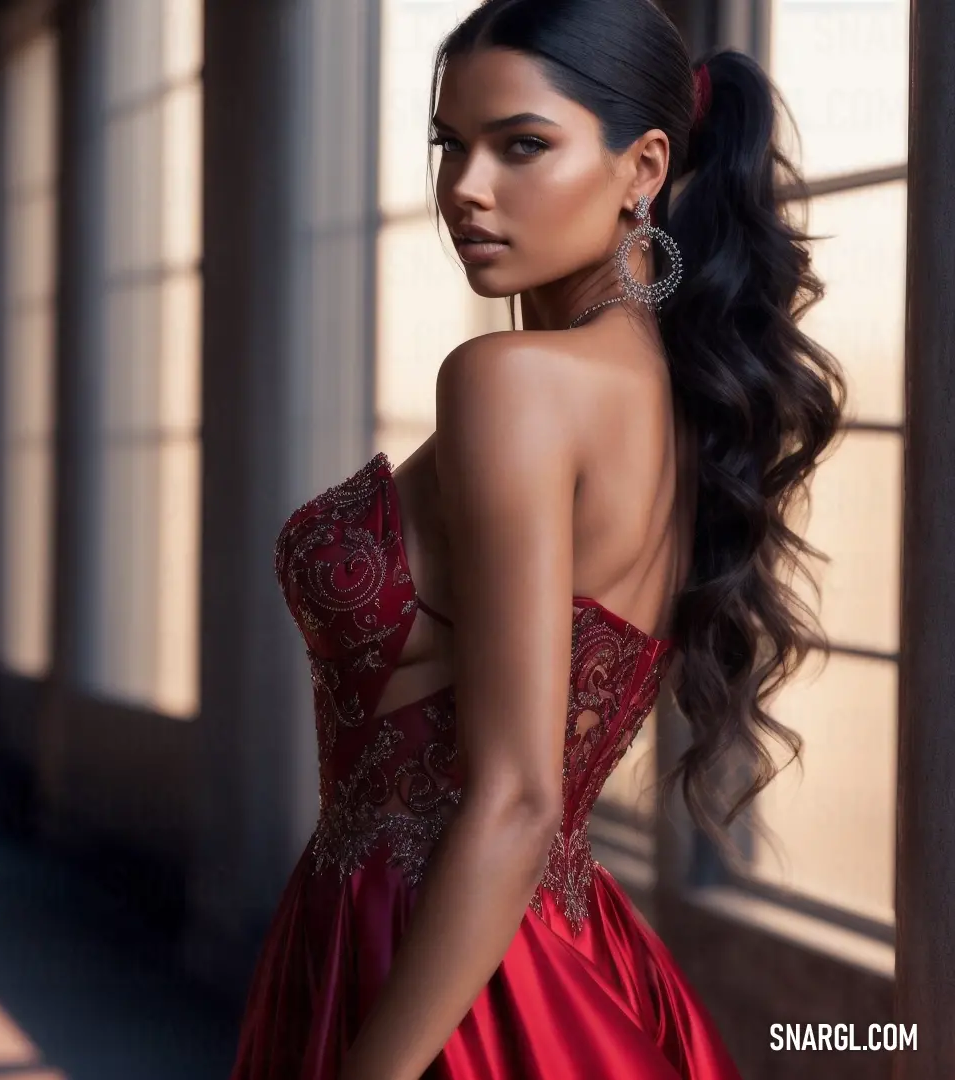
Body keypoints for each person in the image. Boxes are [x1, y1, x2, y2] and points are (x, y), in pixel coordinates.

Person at [230, 0, 845, 1077]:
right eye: (449, 145)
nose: (465, 187)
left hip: (448, 971)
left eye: (521, 146)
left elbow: (517, 799)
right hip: (536, 943)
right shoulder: (666, 395)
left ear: (642, 167)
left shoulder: (511, 385)